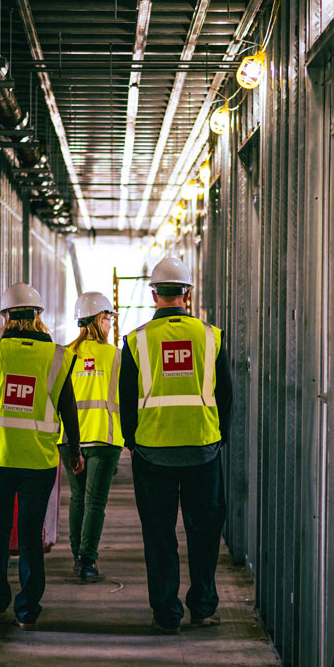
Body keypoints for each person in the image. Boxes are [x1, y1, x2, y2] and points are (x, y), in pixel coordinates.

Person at [119, 257, 232, 634]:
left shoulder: (136, 341)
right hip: (202, 449)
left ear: (154, 294)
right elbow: (226, 396)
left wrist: (133, 442)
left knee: (159, 535)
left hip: (153, 453)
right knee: (204, 532)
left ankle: (167, 613)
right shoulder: (212, 337)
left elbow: (126, 399)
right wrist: (218, 438)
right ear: (188, 293)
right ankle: (202, 606)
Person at [0, 283, 82, 630]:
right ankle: (27, 611)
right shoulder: (58, 356)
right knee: (31, 533)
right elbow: (69, 409)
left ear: (5, 316)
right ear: (39, 317)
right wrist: (74, 452)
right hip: (39, 460)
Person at [59, 291, 125, 583]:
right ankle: (87, 562)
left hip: (69, 440)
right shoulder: (115, 356)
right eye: (109, 318)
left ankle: (78, 556)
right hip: (103, 437)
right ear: (100, 319)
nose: (110, 323)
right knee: (95, 502)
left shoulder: (64, 355)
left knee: (78, 499)